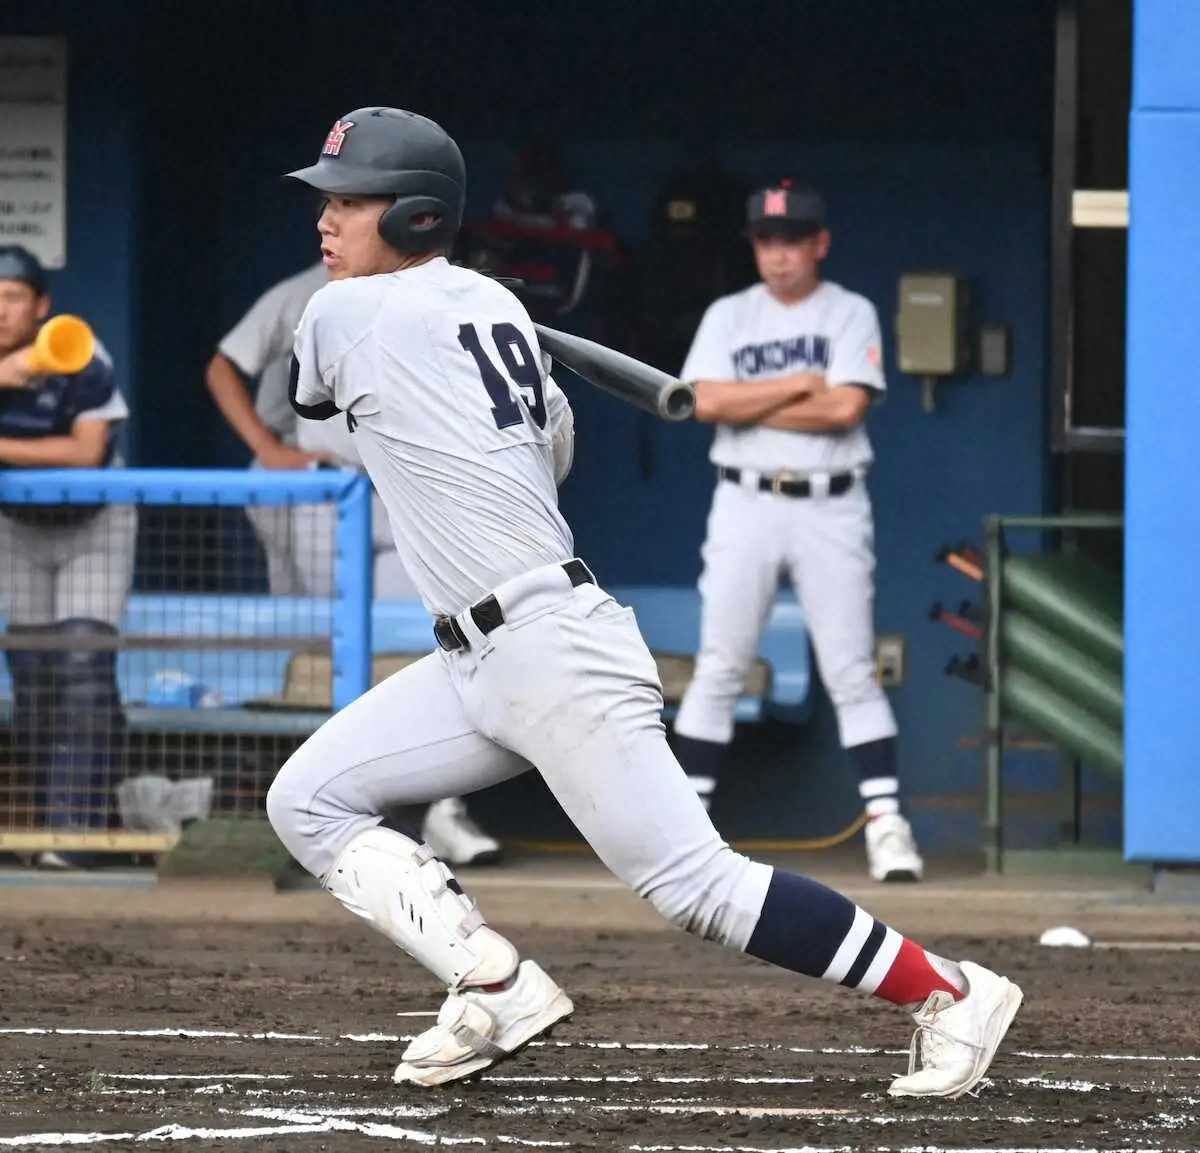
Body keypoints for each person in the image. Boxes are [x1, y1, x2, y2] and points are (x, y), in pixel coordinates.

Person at [265, 106, 1022, 1099]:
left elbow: (315, 394)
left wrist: (443, 334)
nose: (325, 220)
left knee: (698, 885)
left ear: (416, 215)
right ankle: (491, 984)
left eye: (352, 201)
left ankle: (951, 991)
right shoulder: (496, 311)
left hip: (548, 649)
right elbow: (552, 451)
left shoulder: (343, 313)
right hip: (476, 656)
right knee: (309, 799)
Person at [671, 181, 925, 884]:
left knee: (850, 669)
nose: (779, 254)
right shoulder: (730, 314)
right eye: (766, 241)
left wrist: (749, 403)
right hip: (744, 498)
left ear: (820, 243)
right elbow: (701, 401)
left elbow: (844, 411)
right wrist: (798, 384)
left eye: (792, 240)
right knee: (720, 664)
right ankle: (686, 833)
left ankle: (886, 824)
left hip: (829, 502)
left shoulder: (850, 310)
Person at [206, 261, 501, 867]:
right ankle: (333, 811)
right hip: (330, 488)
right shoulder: (300, 293)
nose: (334, 226)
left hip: (409, 486)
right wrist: (267, 448)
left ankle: (440, 810)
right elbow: (222, 366)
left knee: (429, 646)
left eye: (350, 213)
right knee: (331, 650)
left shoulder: (438, 290)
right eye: (331, 215)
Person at [0, 245, 135, 869]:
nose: (2, 311)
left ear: (41, 305)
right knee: (33, 673)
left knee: (82, 663)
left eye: (13, 297)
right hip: (17, 529)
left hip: (93, 524)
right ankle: (47, 826)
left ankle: (79, 833)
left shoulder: (79, 350)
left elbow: (85, 453)